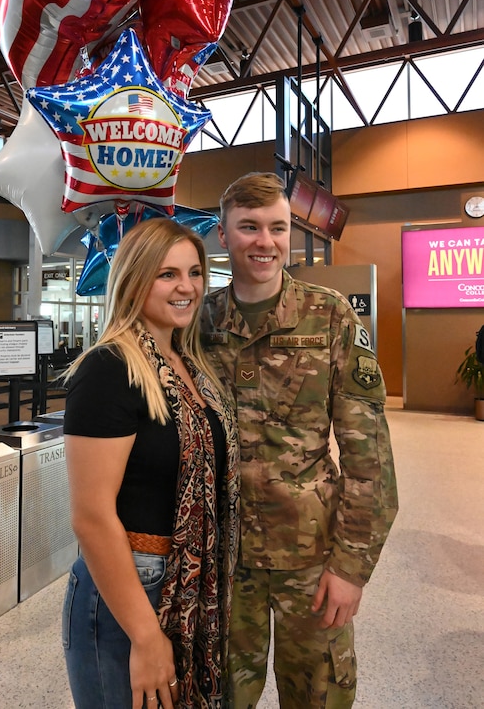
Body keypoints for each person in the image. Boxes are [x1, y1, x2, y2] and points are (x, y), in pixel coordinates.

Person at [200, 172, 399, 708]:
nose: (265, 242)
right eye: (248, 227)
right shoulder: (198, 320)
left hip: (310, 557)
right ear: (223, 234)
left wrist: (351, 568)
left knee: (318, 697)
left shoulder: (329, 315)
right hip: (222, 556)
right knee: (218, 696)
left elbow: (369, 459)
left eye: (277, 228)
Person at [61, 217, 240, 709]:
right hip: (132, 588)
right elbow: (91, 516)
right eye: (167, 274)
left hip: (187, 578)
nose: (186, 287)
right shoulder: (109, 369)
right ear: (134, 279)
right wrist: (145, 635)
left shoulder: (190, 365)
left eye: (195, 272)